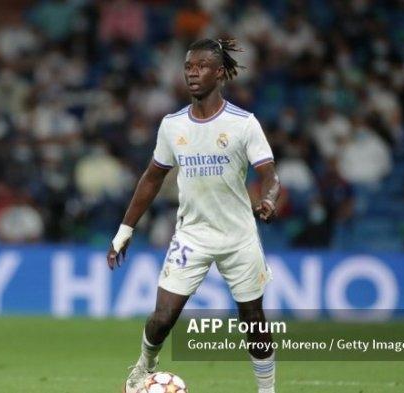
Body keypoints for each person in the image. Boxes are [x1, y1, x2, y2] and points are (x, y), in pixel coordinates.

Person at [106, 38, 280, 393]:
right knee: (163, 317)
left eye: (201, 67)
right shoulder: (173, 125)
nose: (193, 73)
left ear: (220, 73)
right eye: (188, 67)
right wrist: (125, 229)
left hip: (238, 236)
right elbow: (152, 178)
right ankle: (144, 367)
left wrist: (270, 199)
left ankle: (267, 390)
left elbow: (269, 176)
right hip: (192, 235)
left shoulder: (243, 123)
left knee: (253, 321)